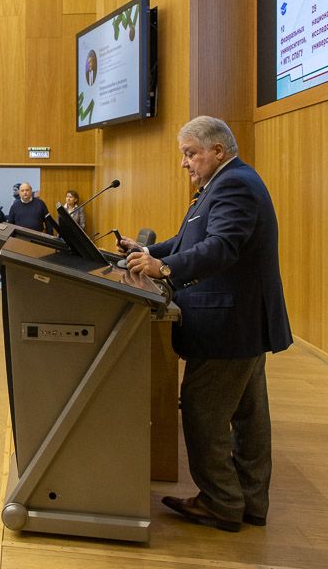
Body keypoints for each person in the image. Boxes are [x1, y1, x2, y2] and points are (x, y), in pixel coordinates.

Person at [120, 116, 292, 533]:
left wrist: (162, 267)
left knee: (204, 412)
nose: (185, 163)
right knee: (249, 417)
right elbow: (188, 242)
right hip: (240, 320)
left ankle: (221, 502)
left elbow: (221, 247)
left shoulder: (234, 184)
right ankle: (248, 502)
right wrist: (145, 250)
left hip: (229, 321)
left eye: (190, 153)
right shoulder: (225, 184)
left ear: (218, 150)